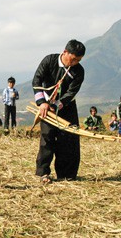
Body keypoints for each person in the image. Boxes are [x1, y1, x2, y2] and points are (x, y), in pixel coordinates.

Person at [32, 39, 85, 184]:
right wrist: (42, 103)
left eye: (78, 60)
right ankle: (44, 173)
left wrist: (57, 105)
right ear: (65, 52)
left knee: (69, 140)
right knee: (47, 137)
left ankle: (66, 175)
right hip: (46, 106)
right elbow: (36, 81)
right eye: (73, 59)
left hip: (66, 107)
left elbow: (71, 93)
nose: (74, 63)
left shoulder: (79, 71)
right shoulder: (49, 60)